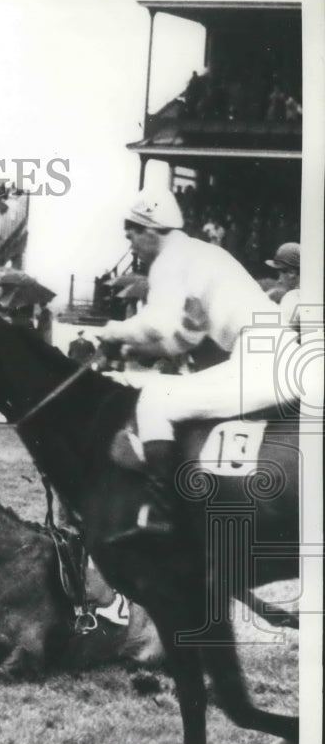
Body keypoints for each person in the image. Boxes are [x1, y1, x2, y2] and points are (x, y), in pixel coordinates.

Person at [97, 188, 290, 506]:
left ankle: (162, 508)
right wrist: (137, 351)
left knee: (153, 400)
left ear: (149, 230)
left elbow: (157, 323)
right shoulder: (198, 253)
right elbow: (188, 336)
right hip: (270, 352)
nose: (132, 247)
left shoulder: (170, 260)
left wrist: (114, 331)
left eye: (132, 236)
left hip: (260, 360)